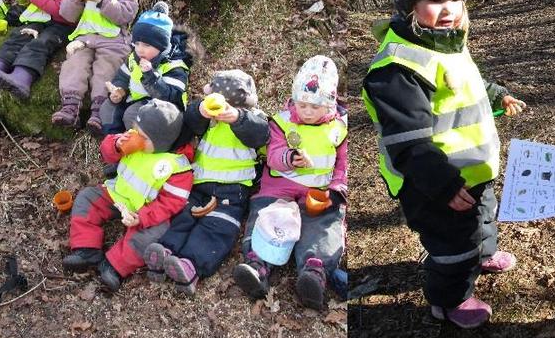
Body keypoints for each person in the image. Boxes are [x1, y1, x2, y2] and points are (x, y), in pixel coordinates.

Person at [362, 0, 526, 329]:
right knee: (453, 244)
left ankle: (483, 252)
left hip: (471, 169)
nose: (449, 8)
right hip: (433, 182)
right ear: (408, 5)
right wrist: (442, 185)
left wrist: (497, 95)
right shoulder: (397, 67)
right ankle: (449, 299)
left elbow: (468, 84)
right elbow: (409, 141)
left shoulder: (448, 44)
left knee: (483, 215)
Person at [235, 56, 348, 309]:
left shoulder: (340, 128)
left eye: (315, 107)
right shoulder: (282, 122)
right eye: (302, 104)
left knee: (321, 226)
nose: (307, 111)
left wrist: (337, 189)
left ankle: (314, 272)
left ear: (329, 103)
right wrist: (289, 158)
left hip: (319, 192)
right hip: (280, 187)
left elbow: (343, 164)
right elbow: (273, 154)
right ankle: (258, 265)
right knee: (266, 216)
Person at [143, 70, 269, 294]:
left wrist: (237, 117)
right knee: (185, 215)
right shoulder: (208, 119)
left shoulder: (254, 116)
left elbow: (260, 134)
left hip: (233, 189)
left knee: (218, 227)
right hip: (199, 184)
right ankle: (164, 251)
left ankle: (191, 264)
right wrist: (200, 110)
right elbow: (190, 123)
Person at [61, 99, 193, 292]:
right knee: (87, 198)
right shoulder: (133, 138)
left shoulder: (177, 166)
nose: (136, 136)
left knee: (149, 237)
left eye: (143, 136)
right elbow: (107, 153)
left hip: (144, 211)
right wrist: (115, 144)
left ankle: (114, 266)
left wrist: (142, 218)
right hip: (117, 194)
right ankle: (86, 249)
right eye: (135, 129)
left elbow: (171, 203)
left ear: (160, 141)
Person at [52, 0, 138, 133]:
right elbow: (66, 14)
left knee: (106, 67)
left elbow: (127, 14)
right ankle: (70, 107)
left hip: (113, 40)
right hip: (85, 39)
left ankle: (99, 110)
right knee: (74, 64)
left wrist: (102, 0)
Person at [100, 1, 196, 134]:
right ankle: (115, 140)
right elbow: (122, 77)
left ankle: (139, 147)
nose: (140, 49)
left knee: (131, 114)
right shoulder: (134, 57)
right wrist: (119, 90)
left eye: (146, 45)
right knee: (108, 107)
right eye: (137, 43)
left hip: (164, 110)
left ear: (161, 45)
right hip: (135, 101)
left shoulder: (175, 65)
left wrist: (150, 76)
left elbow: (172, 98)